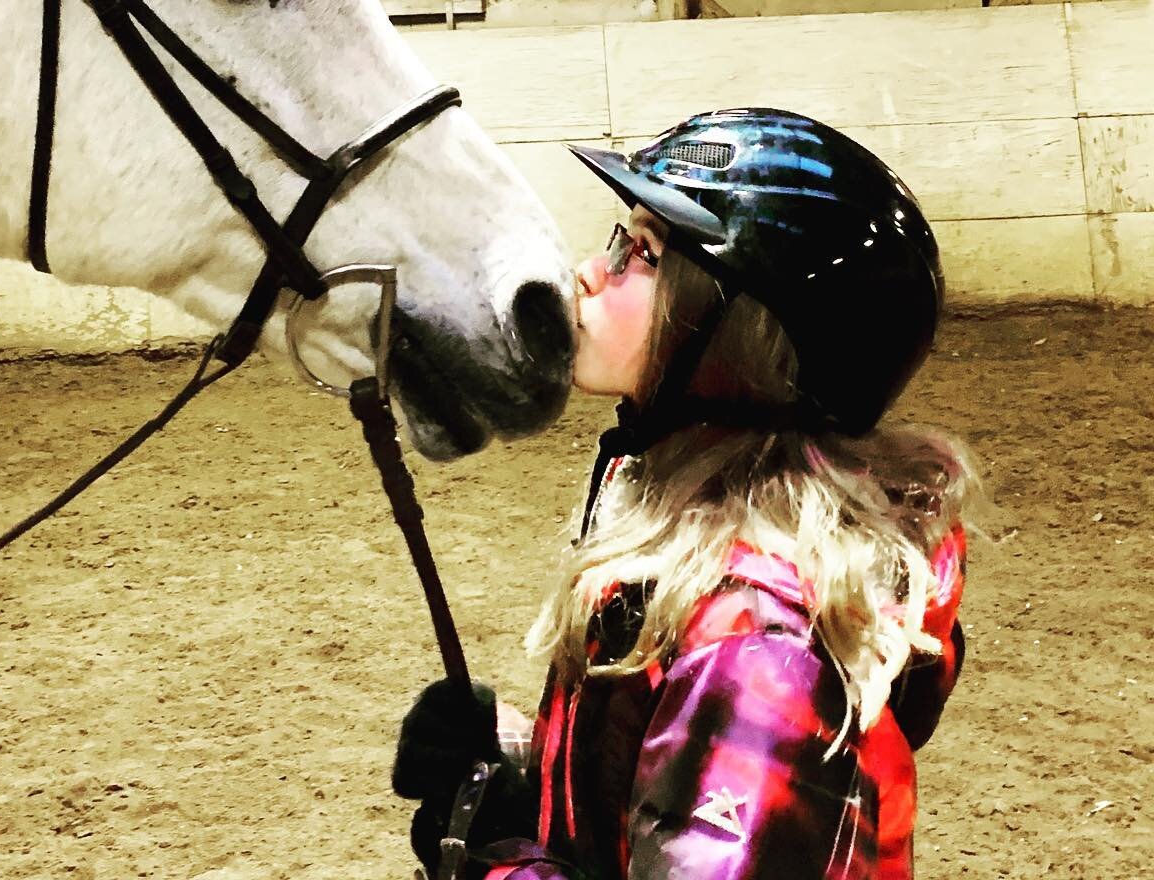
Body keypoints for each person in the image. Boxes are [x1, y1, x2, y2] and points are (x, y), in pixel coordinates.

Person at [392, 109, 979, 880]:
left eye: (638, 254)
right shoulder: (699, 540)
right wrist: (517, 759)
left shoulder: (760, 642)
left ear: (736, 328)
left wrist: (499, 860)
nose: (589, 273)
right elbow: (681, 781)